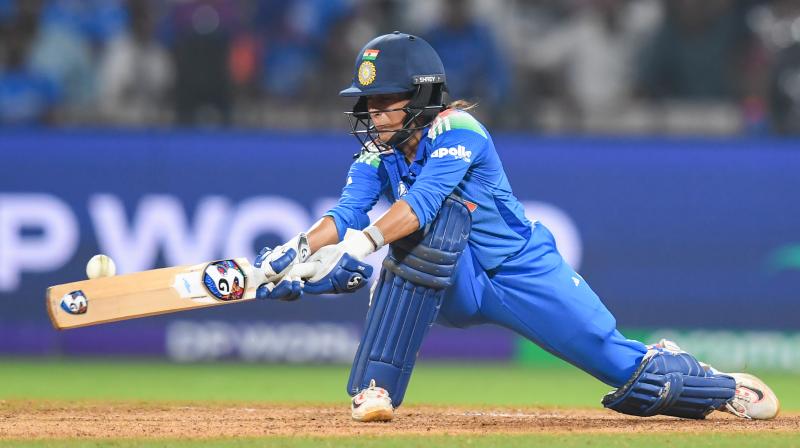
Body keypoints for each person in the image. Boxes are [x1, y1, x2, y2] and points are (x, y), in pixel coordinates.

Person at [253, 32, 779, 423]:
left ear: (421, 96)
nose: (373, 114)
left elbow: (422, 203)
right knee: (418, 245)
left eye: (384, 101)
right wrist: (298, 248)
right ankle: (376, 387)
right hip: (456, 279)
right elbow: (346, 212)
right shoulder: (376, 153)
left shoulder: (459, 130)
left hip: (520, 270)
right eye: (368, 103)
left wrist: (359, 247)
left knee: (630, 378)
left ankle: (710, 383)